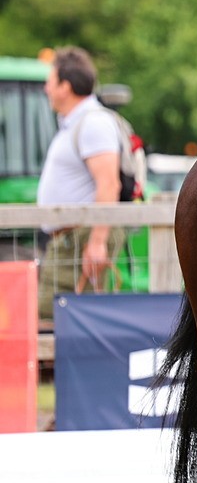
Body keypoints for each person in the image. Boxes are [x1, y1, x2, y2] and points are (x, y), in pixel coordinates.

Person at [36, 47, 126, 319]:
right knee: (61, 319)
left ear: (65, 86)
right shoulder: (79, 122)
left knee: (59, 319)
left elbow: (109, 185)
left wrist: (97, 242)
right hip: (73, 238)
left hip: (82, 238)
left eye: (50, 82)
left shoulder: (93, 123)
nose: (46, 89)